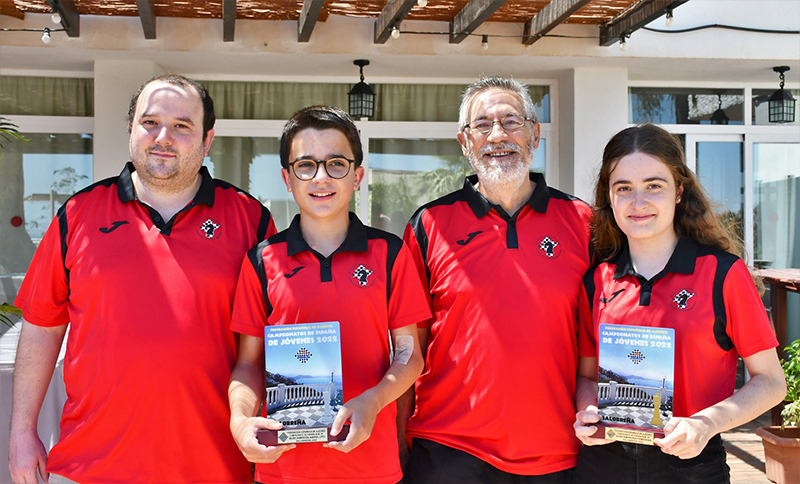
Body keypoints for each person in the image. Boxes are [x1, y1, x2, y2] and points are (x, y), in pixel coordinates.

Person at [9, 74, 276, 484]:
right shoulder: (78, 215)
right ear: (132, 131)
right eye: (149, 122)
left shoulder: (250, 220)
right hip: (91, 467)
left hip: (215, 467)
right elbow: (42, 326)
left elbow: (276, 335)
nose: (163, 136)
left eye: (182, 126)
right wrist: (22, 432)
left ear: (207, 141)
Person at [400, 77, 593, 483]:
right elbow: (407, 349)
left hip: (556, 451)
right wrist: (399, 441)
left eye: (511, 121)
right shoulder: (429, 224)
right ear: (464, 140)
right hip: (447, 450)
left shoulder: (583, 223)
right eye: (482, 125)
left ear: (535, 134)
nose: (497, 135)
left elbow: (602, 334)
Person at [572, 124, 786, 483]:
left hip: (692, 466)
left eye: (654, 186)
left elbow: (771, 382)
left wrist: (706, 424)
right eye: (624, 188)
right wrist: (586, 411)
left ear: (678, 192)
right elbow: (587, 376)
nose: (638, 203)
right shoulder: (596, 281)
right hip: (604, 465)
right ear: (609, 197)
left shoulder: (722, 274)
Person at [227, 105, 430, 484]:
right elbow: (248, 365)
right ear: (287, 179)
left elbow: (409, 355)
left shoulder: (390, 253)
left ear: (358, 176)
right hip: (282, 471)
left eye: (336, 163)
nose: (321, 177)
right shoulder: (262, 260)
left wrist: (373, 401)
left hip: (372, 468)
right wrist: (239, 419)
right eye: (306, 165)